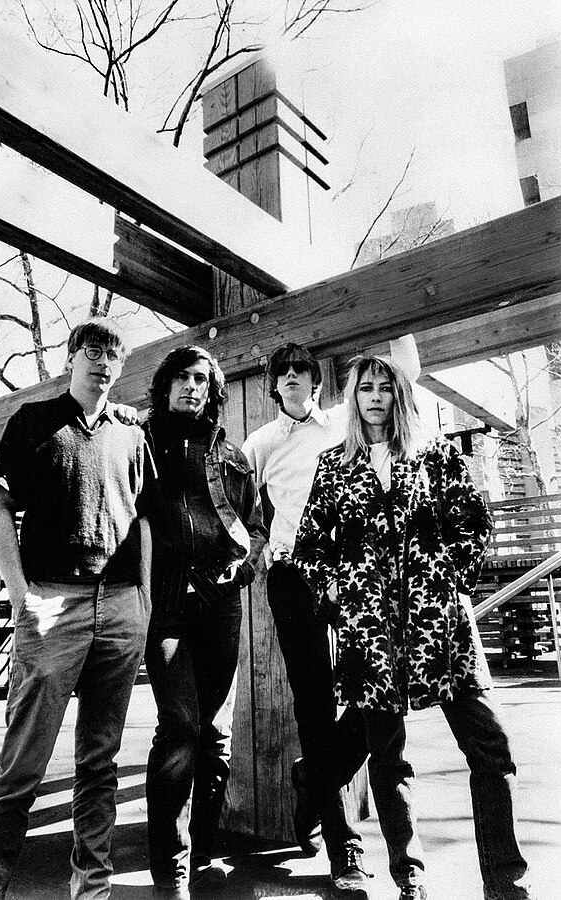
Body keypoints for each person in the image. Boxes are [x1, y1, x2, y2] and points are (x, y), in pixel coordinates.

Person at [293, 353, 535, 900]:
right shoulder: (334, 466)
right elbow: (309, 547)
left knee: (490, 748)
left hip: (442, 628)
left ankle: (506, 882)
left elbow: (475, 523)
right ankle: (410, 874)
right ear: (353, 398)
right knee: (388, 757)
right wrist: (338, 588)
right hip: (372, 636)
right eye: (365, 388)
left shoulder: (438, 457)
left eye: (385, 387)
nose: (375, 396)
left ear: (401, 394)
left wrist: (446, 574)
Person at [0, 317, 155, 900]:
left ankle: (92, 886)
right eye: (91, 351)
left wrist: (145, 599)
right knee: (24, 760)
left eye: (112, 356)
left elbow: (144, 519)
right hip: (54, 603)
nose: (102, 363)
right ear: (71, 358)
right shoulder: (33, 422)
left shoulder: (131, 432)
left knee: (99, 761)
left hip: (122, 605)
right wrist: (22, 594)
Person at [242, 336, 420, 899]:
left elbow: (402, 380)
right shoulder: (259, 443)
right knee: (314, 704)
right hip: (293, 578)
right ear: (273, 384)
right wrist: (255, 542)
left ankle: (314, 775)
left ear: (317, 382)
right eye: (283, 371)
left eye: (302, 369)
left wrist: (402, 331)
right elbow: (228, 497)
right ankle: (344, 845)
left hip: (354, 576)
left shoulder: (343, 423)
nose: (292, 376)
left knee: (380, 694)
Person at [142, 346, 267, 900]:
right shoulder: (140, 444)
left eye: (200, 379)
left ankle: (204, 855)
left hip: (221, 603)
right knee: (179, 728)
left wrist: (243, 567)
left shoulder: (232, 456)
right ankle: (168, 865)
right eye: (181, 378)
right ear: (165, 385)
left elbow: (257, 524)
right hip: (164, 604)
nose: (191, 387)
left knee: (214, 734)